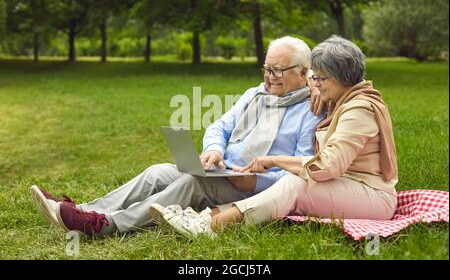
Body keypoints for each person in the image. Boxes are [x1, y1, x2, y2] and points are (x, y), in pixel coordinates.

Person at [29, 36, 323, 237]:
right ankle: (85, 210)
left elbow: (299, 170)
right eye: (266, 68)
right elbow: (219, 127)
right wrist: (214, 150)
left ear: (303, 72)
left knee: (191, 181)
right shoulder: (254, 94)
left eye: (277, 70)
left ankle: (106, 224)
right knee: (158, 172)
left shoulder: (311, 111)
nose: (269, 76)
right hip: (223, 172)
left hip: (255, 191)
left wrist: (255, 180)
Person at [151, 36, 399, 238]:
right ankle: (207, 216)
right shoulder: (339, 97)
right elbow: (309, 79)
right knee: (295, 181)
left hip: (371, 195)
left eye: (321, 79)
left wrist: (274, 161)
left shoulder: (358, 110)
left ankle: (210, 226)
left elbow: (329, 164)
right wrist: (314, 85)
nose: (317, 84)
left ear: (343, 79)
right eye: (314, 77)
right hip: (345, 185)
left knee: (294, 183)